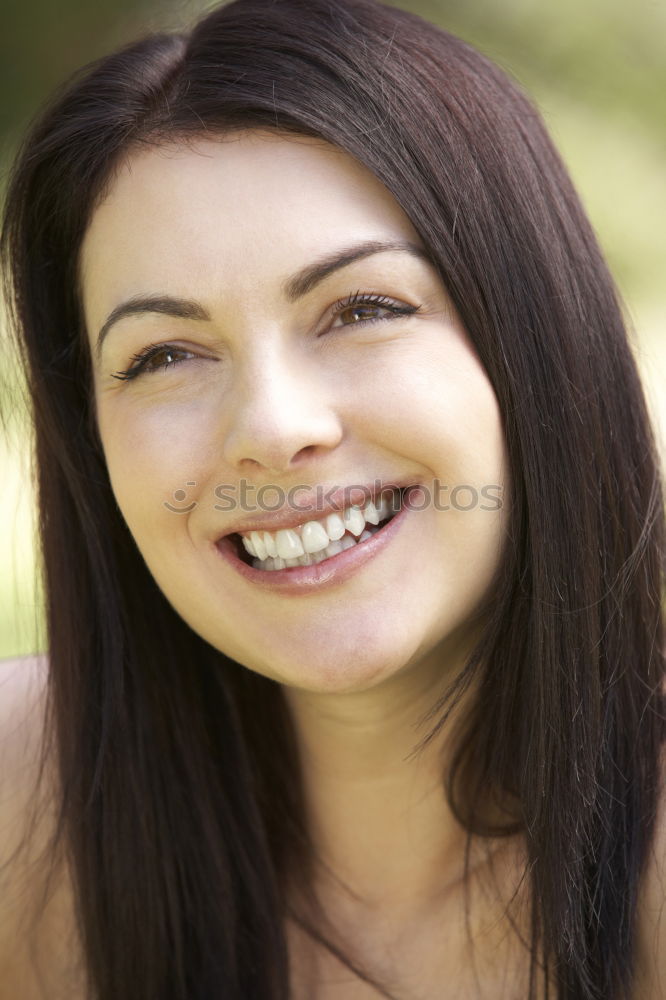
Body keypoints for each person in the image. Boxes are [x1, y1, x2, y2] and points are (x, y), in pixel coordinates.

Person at [0, 0, 664, 997]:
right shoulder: (20, 807)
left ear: (535, 336)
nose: (271, 426)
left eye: (362, 308)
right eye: (165, 353)